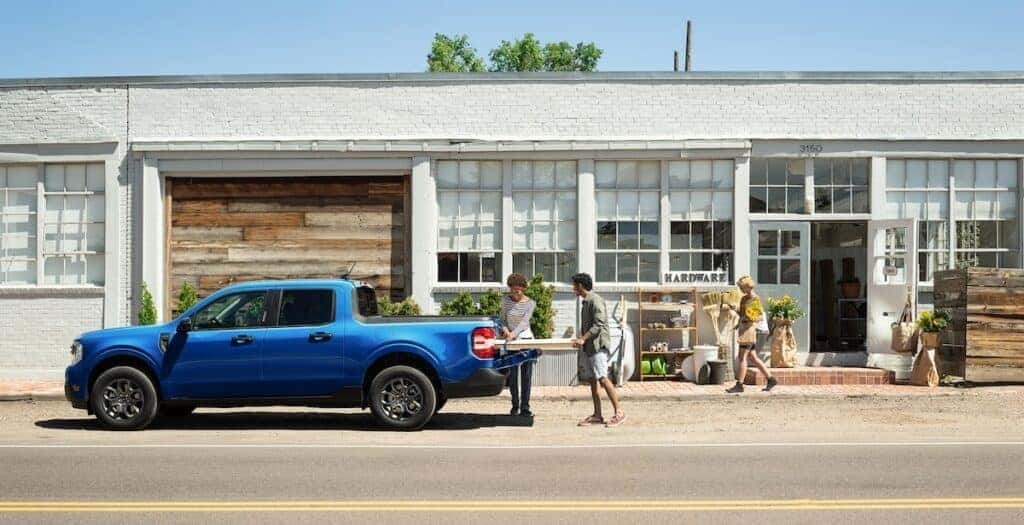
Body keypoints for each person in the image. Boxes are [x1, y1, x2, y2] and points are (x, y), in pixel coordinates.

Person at [571, 272, 625, 427]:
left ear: (580, 286)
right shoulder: (586, 302)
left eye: (574, 286)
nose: (573, 289)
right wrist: (581, 340)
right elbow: (589, 327)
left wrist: (583, 338)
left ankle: (619, 413)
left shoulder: (595, 300)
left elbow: (599, 324)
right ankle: (597, 415)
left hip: (598, 346)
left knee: (602, 377)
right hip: (589, 346)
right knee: (593, 380)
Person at [726, 275, 778, 393]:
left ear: (747, 287)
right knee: (753, 357)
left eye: (741, 287)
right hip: (744, 329)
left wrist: (747, 318)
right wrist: (736, 309)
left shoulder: (755, 299)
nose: (740, 289)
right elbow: (743, 314)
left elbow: (757, 316)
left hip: (749, 330)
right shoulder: (744, 299)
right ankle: (770, 379)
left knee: (742, 357)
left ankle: (739, 385)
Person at [500, 273, 537, 417]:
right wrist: (504, 329)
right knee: (513, 375)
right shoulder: (505, 300)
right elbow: (502, 319)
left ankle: (525, 407)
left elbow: (524, 323)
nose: (515, 293)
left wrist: (512, 334)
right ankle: (515, 405)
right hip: (510, 340)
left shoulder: (530, 303)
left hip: (525, 338)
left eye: (518, 290)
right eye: (512, 290)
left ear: (523, 289)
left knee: (526, 376)